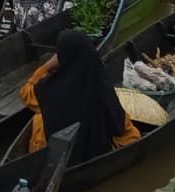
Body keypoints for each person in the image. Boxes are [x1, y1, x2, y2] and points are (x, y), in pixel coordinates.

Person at [19, 29, 139, 164]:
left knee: (39, 117)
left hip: (58, 158)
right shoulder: (100, 83)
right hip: (96, 152)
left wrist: (47, 65)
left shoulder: (49, 88)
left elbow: (25, 93)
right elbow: (120, 124)